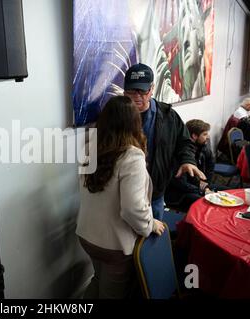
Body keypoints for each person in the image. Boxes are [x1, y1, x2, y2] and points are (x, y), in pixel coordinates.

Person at [76, 95, 166, 299]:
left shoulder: (91, 148)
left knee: (98, 280)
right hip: (113, 245)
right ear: (134, 122)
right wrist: (151, 224)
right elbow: (132, 209)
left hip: (87, 235)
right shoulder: (131, 156)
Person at [122, 63, 205, 220]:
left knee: (154, 240)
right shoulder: (116, 116)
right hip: (125, 195)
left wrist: (187, 160)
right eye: (131, 91)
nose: (136, 96)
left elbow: (185, 142)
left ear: (152, 88)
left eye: (142, 90)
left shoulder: (168, 116)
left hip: (156, 193)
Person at [165, 120, 224, 212]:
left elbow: (210, 167)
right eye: (204, 134)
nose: (208, 137)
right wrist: (202, 190)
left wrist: (206, 184)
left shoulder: (203, 148)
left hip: (196, 186)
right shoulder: (179, 154)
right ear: (194, 136)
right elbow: (181, 184)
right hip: (179, 194)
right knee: (210, 205)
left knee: (228, 192)